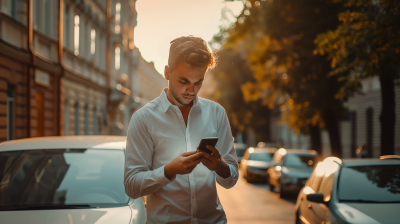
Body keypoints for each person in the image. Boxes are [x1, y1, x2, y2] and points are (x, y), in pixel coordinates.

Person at [124, 36, 238, 224]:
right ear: (167, 73)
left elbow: (230, 179)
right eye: (183, 80)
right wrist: (169, 170)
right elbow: (131, 186)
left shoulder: (216, 113)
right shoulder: (143, 119)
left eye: (198, 82)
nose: (191, 90)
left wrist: (220, 165)